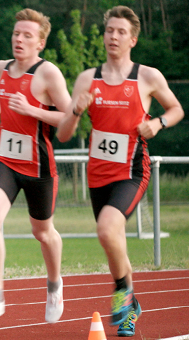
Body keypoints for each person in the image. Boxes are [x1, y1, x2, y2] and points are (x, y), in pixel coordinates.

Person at [57, 5, 184, 337]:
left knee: (106, 229)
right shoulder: (88, 78)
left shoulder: (147, 76)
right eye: (109, 30)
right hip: (97, 175)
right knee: (111, 237)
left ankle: (122, 296)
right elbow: (64, 134)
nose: (113, 36)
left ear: (133, 39)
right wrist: (75, 111)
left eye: (120, 32)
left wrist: (158, 123)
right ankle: (132, 303)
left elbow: (176, 109)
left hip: (132, 171)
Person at [0, 8, 72, 323]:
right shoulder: (3, 67)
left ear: (40, 43)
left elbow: (70, 119)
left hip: (38, 164)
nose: (19, 39)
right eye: (16, 33)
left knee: (42, 232)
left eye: (28, 35)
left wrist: (33, 110)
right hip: (5, 159)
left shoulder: (48, 74)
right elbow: (3, 92)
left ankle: (55, 284)